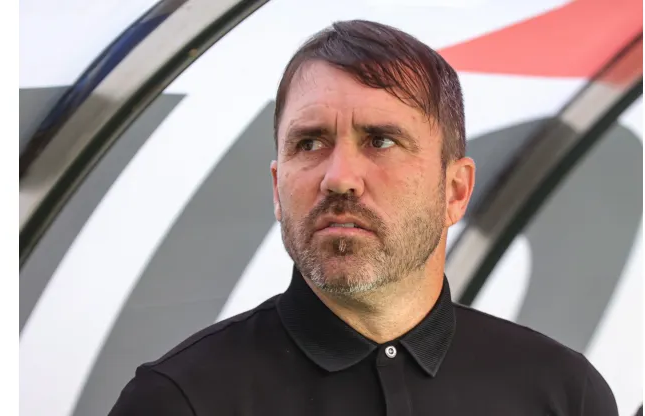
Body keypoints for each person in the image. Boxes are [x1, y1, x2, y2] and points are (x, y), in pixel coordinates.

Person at [108, 19, 618, 415]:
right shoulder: (180, 402)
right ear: (277, 188)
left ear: (455, 190)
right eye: (310, 143)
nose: (339, 177)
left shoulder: (563, 395)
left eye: (381, 140)